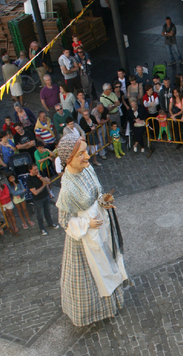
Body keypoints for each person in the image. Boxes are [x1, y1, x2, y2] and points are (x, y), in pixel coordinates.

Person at [55, 134, 128, 327]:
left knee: (109, 262)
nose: (87, 156)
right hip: (84, 240)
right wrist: (86, 224)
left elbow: (97, 192)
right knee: (94, 274)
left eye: (86, 151)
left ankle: (114, 301)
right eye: (81, 154)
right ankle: (96, 311)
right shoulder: (67, 190)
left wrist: (103, 200)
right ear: (69, 159)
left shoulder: (88, 169)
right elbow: (63, 220)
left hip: (101, 227)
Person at [26, 164, 58, 236]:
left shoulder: (40, 173)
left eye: (37, 169)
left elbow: (48, 182)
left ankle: (50, 223)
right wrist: (43, 185)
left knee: (47, 211)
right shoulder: (29, 179)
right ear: (30, 170)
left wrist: (40, 177)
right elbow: (35, 192)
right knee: (40, 214)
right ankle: (42, 228)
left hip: (46, 195)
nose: (37, 171)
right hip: (38, 199)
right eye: (35, 170)